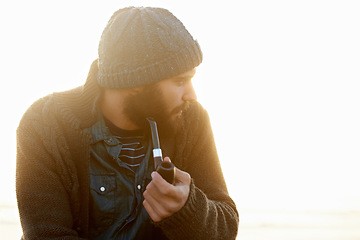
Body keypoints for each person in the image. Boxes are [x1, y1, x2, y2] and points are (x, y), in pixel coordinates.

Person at [16, 6, 239, 240]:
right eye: (180, 80)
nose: (192, 95)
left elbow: (226, 228)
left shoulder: (191, 119)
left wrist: (188, 210)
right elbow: (47, 235)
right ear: (137, 81)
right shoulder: (46, 124)